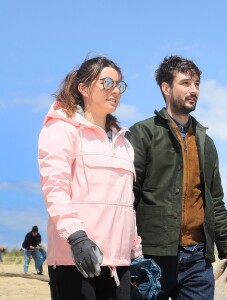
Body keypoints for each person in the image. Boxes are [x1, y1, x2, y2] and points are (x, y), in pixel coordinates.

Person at [126, 55, 227, 300]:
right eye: (186, 83)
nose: (194, 90)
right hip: (151, 257)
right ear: (166, 88)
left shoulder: (205, 143)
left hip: (198, 260)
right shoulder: (143, 134)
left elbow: (215, 203)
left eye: (197, 84)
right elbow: (127, 197)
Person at [38, 55, 142, 300]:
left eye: (119, 85)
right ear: (83, 88)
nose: (115, 91)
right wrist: (77, 238)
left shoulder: (123, 143)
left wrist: (136, 252)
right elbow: (55, 189)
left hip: (118, 263)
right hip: (74, 259)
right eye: (107, 83)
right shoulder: (61, 129)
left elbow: (127, 204)